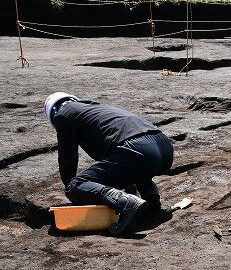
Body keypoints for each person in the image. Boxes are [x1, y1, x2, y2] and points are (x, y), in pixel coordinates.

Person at [44, 92, 174, 235]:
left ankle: (125, 203)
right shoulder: (93, 108)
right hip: (164, 147)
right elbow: (117, 165)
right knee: (125, 162)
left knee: (75, 185)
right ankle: (150, 197)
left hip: (139, 151)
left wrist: (78, 193)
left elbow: (67, 162)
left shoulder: (63, 114)